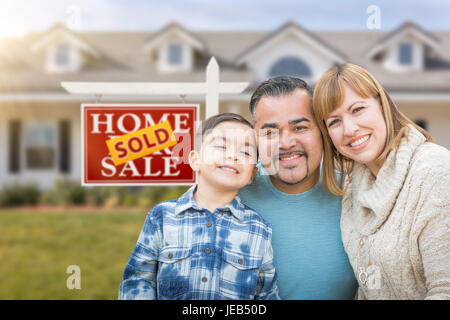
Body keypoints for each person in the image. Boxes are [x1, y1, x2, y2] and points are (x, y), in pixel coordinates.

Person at [313, 63, 450, 299]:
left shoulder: (434, 171)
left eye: (357, 109)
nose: (350, 129)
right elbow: (370, 287)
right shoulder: (353, 188)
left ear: (382, 104)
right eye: (334, 121)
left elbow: (444, 289)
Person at [118, 113, 280, 300]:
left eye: (245, 152)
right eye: (221, 146)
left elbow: (266, 294)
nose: (233, 156)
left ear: (252, 174)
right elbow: (138, 280)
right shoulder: (161, 217)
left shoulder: (259, 229)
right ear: (195, 160)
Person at [238, 76, 358, 299]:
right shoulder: (233, 193)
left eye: (300, 127)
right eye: (270, 132)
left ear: (322, 131)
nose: (286, 143)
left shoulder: (356, 191)